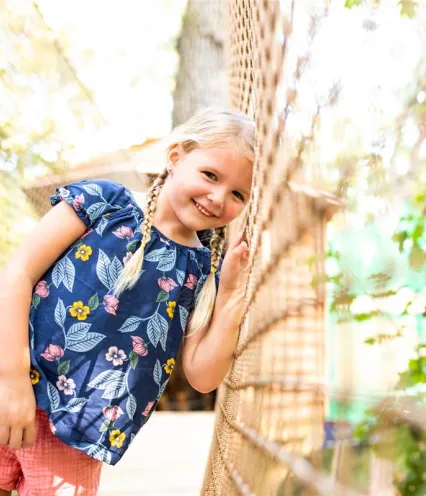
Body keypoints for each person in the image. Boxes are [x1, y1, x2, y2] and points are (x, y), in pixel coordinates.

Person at [0, 106, 255, 495]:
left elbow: (203, 376)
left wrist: (233, 293)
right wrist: (12, 379)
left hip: (76, 433)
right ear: (176, 156)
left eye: (238, 193)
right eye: (210, 175)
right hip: (10, 385)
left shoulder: (203, 270)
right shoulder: (105, 204)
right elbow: (16, 275)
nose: (218, 197)